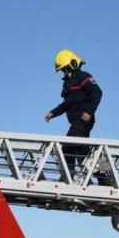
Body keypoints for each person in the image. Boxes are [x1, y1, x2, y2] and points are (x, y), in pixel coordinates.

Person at [44, 49, 103, 178]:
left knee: (67, 147)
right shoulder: (68, 84)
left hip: (83, 120)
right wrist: (53, 113)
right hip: (76, 121)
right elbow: (67, 104)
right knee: (84, 153)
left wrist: (88, 112)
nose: (65, 73)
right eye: (63, 70)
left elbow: (97, 93)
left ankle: (67, 178)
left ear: (73, 65)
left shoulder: (83, 76)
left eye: (65, 69)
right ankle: (105, 176)